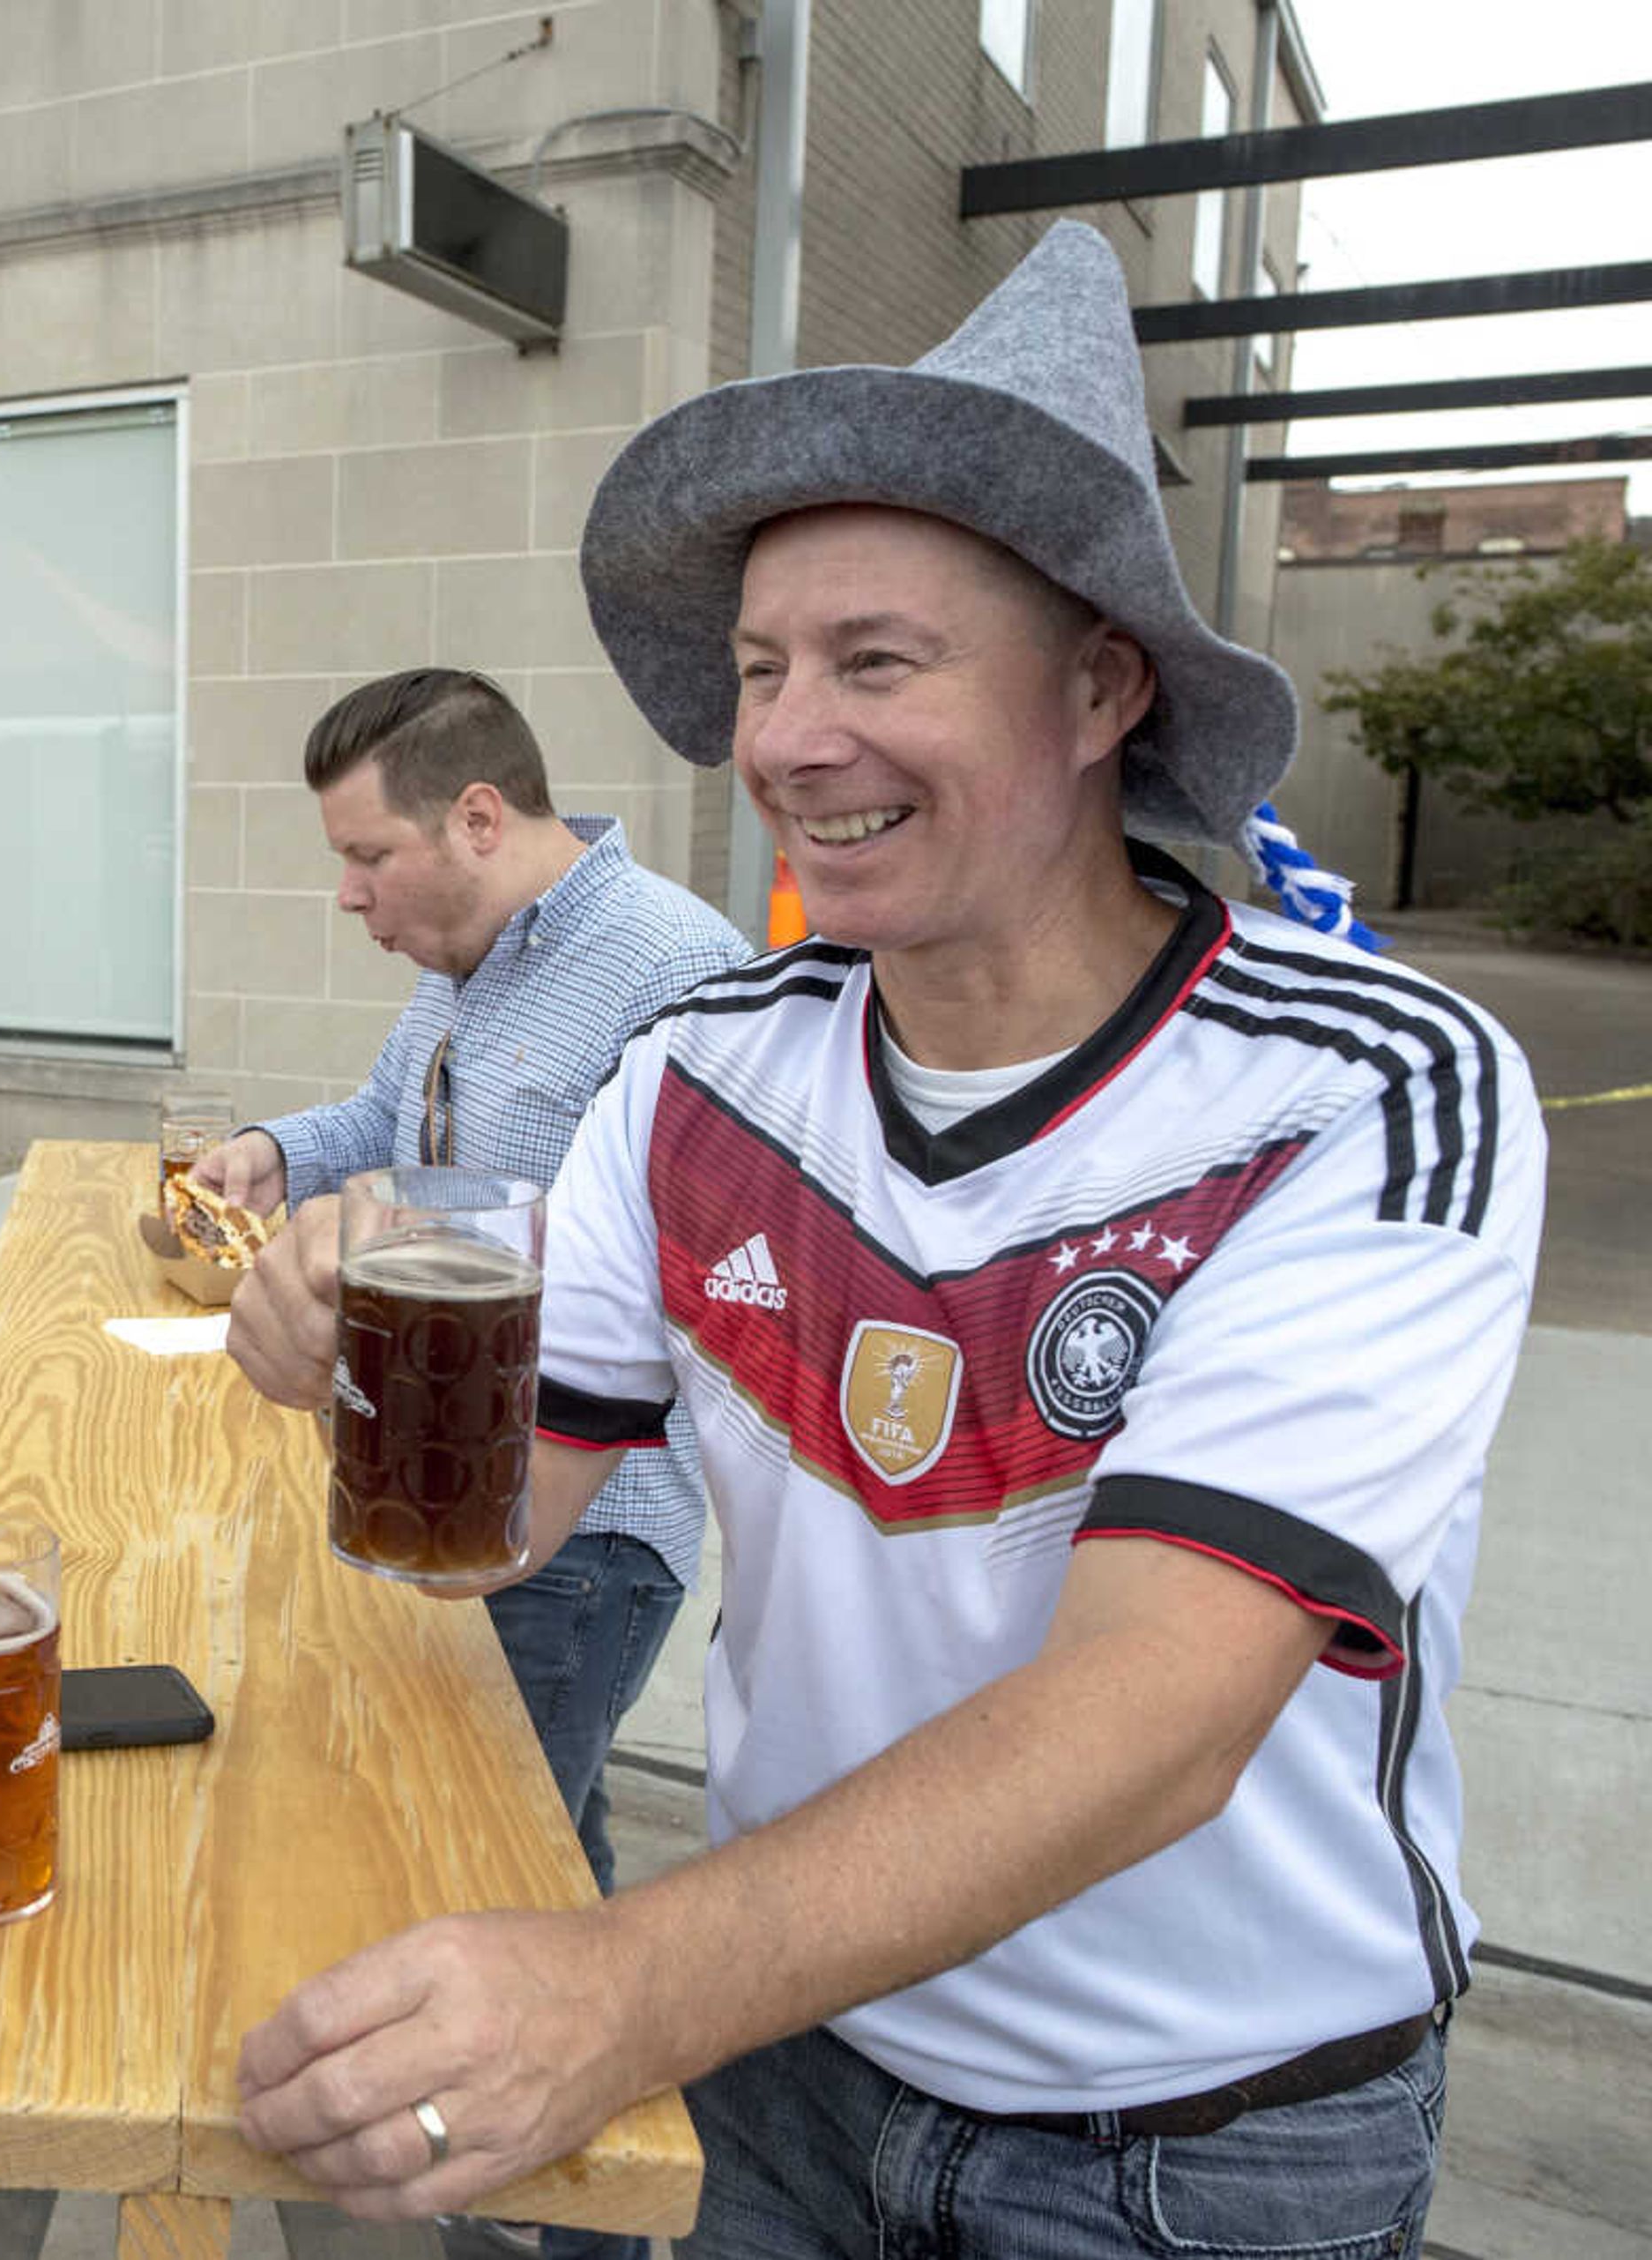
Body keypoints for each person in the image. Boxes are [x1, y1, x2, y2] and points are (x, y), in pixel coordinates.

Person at [220, 222, 1540, 2256]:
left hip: (1197, 2144)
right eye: (759, 670)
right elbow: (500, 1524)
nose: (784, 740)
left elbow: (1153, 1721)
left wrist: (619, 1982)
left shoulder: (1363, 1086)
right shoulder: (706, 1074)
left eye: (876, 662)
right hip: (800, 2056)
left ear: (1102, 687)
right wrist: (338, 1352)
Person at [191, 668, 740, 2259]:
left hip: (585, 1532)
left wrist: (340, 1250)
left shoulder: (678, 974)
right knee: (549, 1855)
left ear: (480, 817)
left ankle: (565, 2220)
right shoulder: (465, 955)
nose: (349, 896)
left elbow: (602, 1261)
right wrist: (280, 1157)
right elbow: (388, 1115)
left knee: (482, 1894)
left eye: (368, 859)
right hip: (456, 1495)